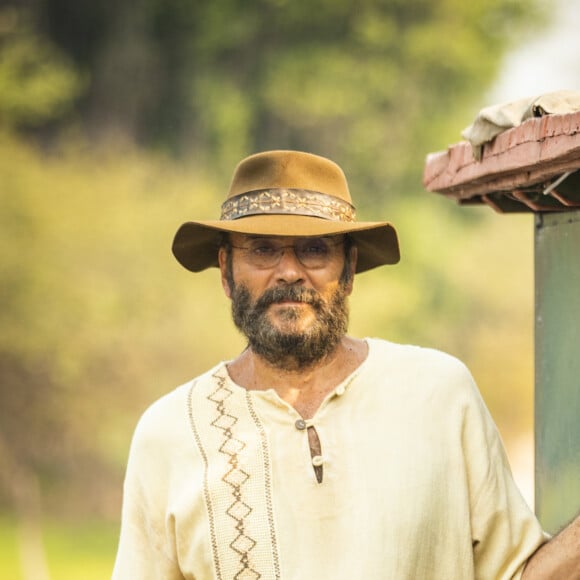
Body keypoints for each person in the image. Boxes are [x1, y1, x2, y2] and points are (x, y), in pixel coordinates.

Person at [113, 150, 579, 579]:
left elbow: (518, 575)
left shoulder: (438, 394)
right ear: (226, 272)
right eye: (262, 249)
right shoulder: (170, 432)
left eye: (314, 249)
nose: (290, 271)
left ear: (350, 269)